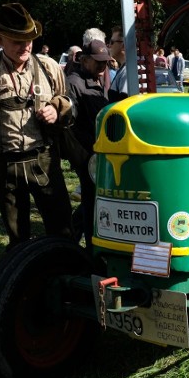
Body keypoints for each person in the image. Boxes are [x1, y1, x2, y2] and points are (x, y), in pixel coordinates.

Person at [0, 2, 73, 246]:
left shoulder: (49, 66)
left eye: (29, 40)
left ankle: (64, 275)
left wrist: (57, 110)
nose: (25, 47)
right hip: (5, 163)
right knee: (17, 236)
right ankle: (24, 279)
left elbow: (67, 102)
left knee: (62, 229)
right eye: (17, 41)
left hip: (44, 160)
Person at [67, 40, 113, 243]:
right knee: (91, 199)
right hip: (87, 153)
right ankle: (88, 247)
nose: (103, 66)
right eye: (98, 62)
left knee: (94, 199)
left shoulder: (97, 79)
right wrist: (87, 155)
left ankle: (76, 238)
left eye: (105, 62)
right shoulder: (74, 84)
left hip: (98, 151)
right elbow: (72, 125)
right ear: (84, 60)